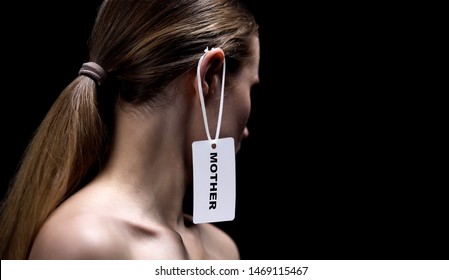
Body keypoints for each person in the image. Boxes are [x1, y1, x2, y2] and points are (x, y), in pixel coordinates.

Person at [0, 0, 259, 260]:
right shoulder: (83, 243)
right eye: (251, 88)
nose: (246, 131)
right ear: (210, 77)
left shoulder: (223, 250)